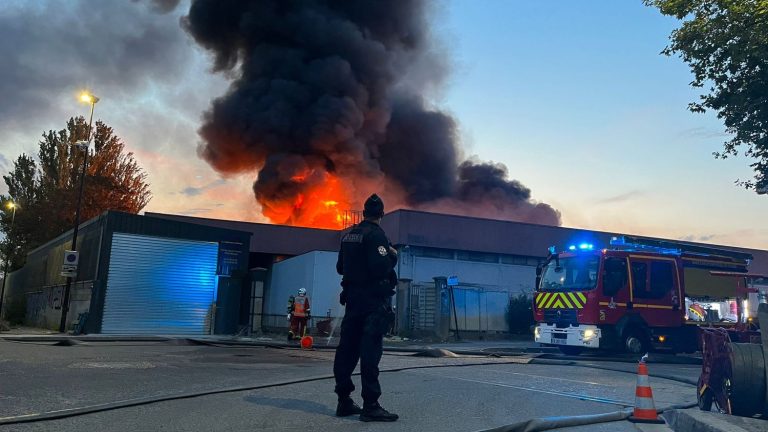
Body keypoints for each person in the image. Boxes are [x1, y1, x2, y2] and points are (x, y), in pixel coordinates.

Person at [333, 194, 399, 422]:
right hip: (372, 302)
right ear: (381, 214)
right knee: (370, 352)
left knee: (347, 350)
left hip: (352, 300)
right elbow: (380, 268)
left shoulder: (349, 235)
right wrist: (393, 256)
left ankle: (344, 400)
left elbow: (340, 267)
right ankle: (371, 405)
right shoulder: (377, 235)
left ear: (363, 213)